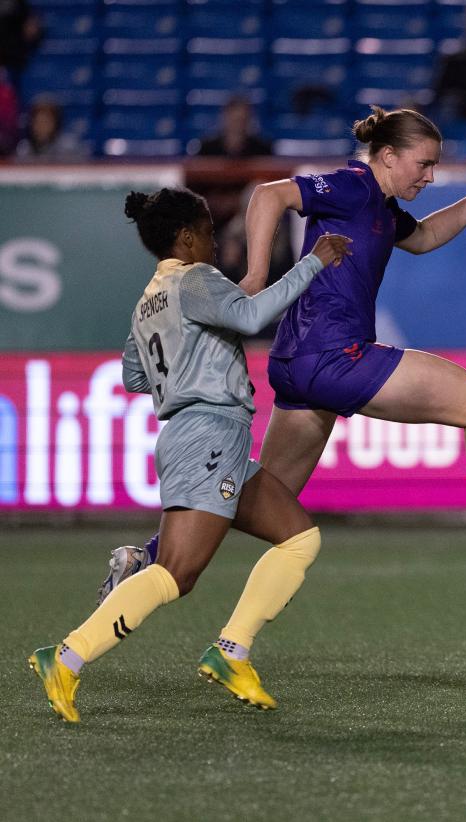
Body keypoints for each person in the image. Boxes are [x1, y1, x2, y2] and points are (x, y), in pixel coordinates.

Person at [98, 106, 466, 640]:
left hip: (297, 363)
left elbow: (423, 237)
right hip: (335, 355)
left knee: (254, 497)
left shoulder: (381, 206)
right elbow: (268, 195)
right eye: (423, 164)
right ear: (387, 156)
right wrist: (255, 276)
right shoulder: (352, 186)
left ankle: (144, 560)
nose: (429, 176)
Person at [28, 186, 352, 722]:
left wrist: (184, 367)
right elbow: (251, 317)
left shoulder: (148, 300)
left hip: (204, 436)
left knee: (299, 537)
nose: (214, 244)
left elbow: (134, 375)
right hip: (208, 435)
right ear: (185, 237)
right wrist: (312, 262)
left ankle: (232, 650)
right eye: (207, 233)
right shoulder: (196, 279)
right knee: (176, 573)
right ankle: (66, 657)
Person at [15, 96, 89, 160]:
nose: (41, 126)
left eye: (46, 122)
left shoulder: (69, 147)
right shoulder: (25, 149)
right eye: (37, 122)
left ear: (56, 123)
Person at [197, 95, 272, 158]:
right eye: (235, 120)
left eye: (242, 120)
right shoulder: (207, 149)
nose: (238, 126)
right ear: (224, 118)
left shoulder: (263, 150)